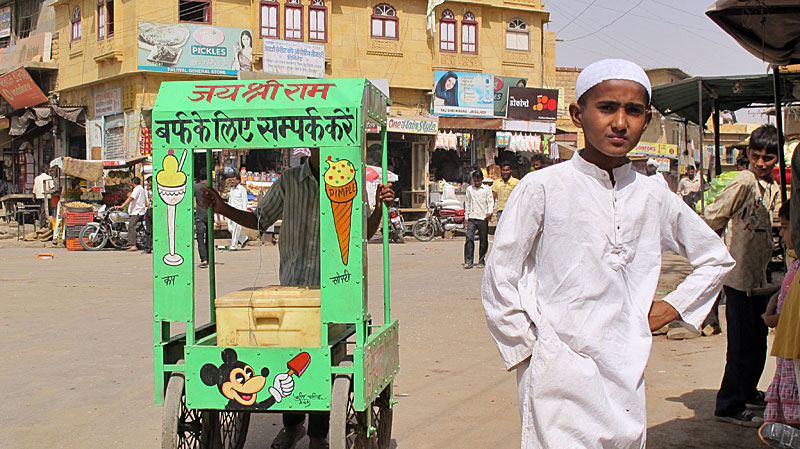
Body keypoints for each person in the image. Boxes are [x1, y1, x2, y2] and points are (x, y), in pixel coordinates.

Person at [482, 59, 734, 448]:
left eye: (633, 111)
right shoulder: (543, 187)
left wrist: (673, 306)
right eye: (607, 108)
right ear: (577, 114)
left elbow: (715, 257)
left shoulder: (653, 194)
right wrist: (528, 347)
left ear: (646, 120)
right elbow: (501, 273)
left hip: (626, 366)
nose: (620, 122)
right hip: (557, 366)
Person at [200, 149, 394, 449]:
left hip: (334, 291)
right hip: (292, 290)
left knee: (325, 358)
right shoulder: (290, 181)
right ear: (310, 147)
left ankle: (318, 434)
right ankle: (293, 426)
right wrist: (222, 207)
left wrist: (380, 208)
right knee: (288, 356)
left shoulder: (348, 180)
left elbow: (364, 232)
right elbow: (258, 219)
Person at [705, 124, 781, 427]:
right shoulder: (745, 181)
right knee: (740, 344)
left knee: (758, 338)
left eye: (768, 158)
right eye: (756, 155)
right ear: (748, 154)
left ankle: (748, 391)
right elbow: (714, 216)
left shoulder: (771, 188)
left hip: (759, 279)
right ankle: (729, 404)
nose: (761, 162)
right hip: (737, 277)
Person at [762, 202, 800, 427]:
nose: (782, 234)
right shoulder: (795, 263)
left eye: (785, 228)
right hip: (788, 349)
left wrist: (777, 319)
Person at [464, 170, 493, 269]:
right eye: (475, 181)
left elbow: (490, 201)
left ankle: (481, 260)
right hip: (472, 217)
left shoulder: (486, 189)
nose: (477, 183)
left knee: (483, 240)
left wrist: (489, 212)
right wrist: (466, 217)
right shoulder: (469, 190)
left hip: (483, 217)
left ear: (482, 180)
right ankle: (469, 260)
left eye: (479, 181)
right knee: (469, 238)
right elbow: (467, 203)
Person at [117, 176, 147, 251]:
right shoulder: (140, 188)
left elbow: (131, 198)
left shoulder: (138, 189)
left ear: (133, 183)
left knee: (131, 226)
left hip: (137, 211)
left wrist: (122, 206)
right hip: (137, 211)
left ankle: (133, 245)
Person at [226, 175, 249, 251]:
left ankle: (234, 245)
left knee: (236, 229)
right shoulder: (232, 189)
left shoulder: (242, 189)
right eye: (232, 180)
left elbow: (245, 202)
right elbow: (230, 200)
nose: (232, 181)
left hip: (238, 212)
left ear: (238, 181)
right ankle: (244, 238)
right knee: (231, 229)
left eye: (234, 180)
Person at [194, 174, 209, 268]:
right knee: (209, 238)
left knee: (200, 238)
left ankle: (204, 259)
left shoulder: (196, 187)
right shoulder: (212, 187)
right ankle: (209, 258)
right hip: (209, 216)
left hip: (199, 215)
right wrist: (218, 219)